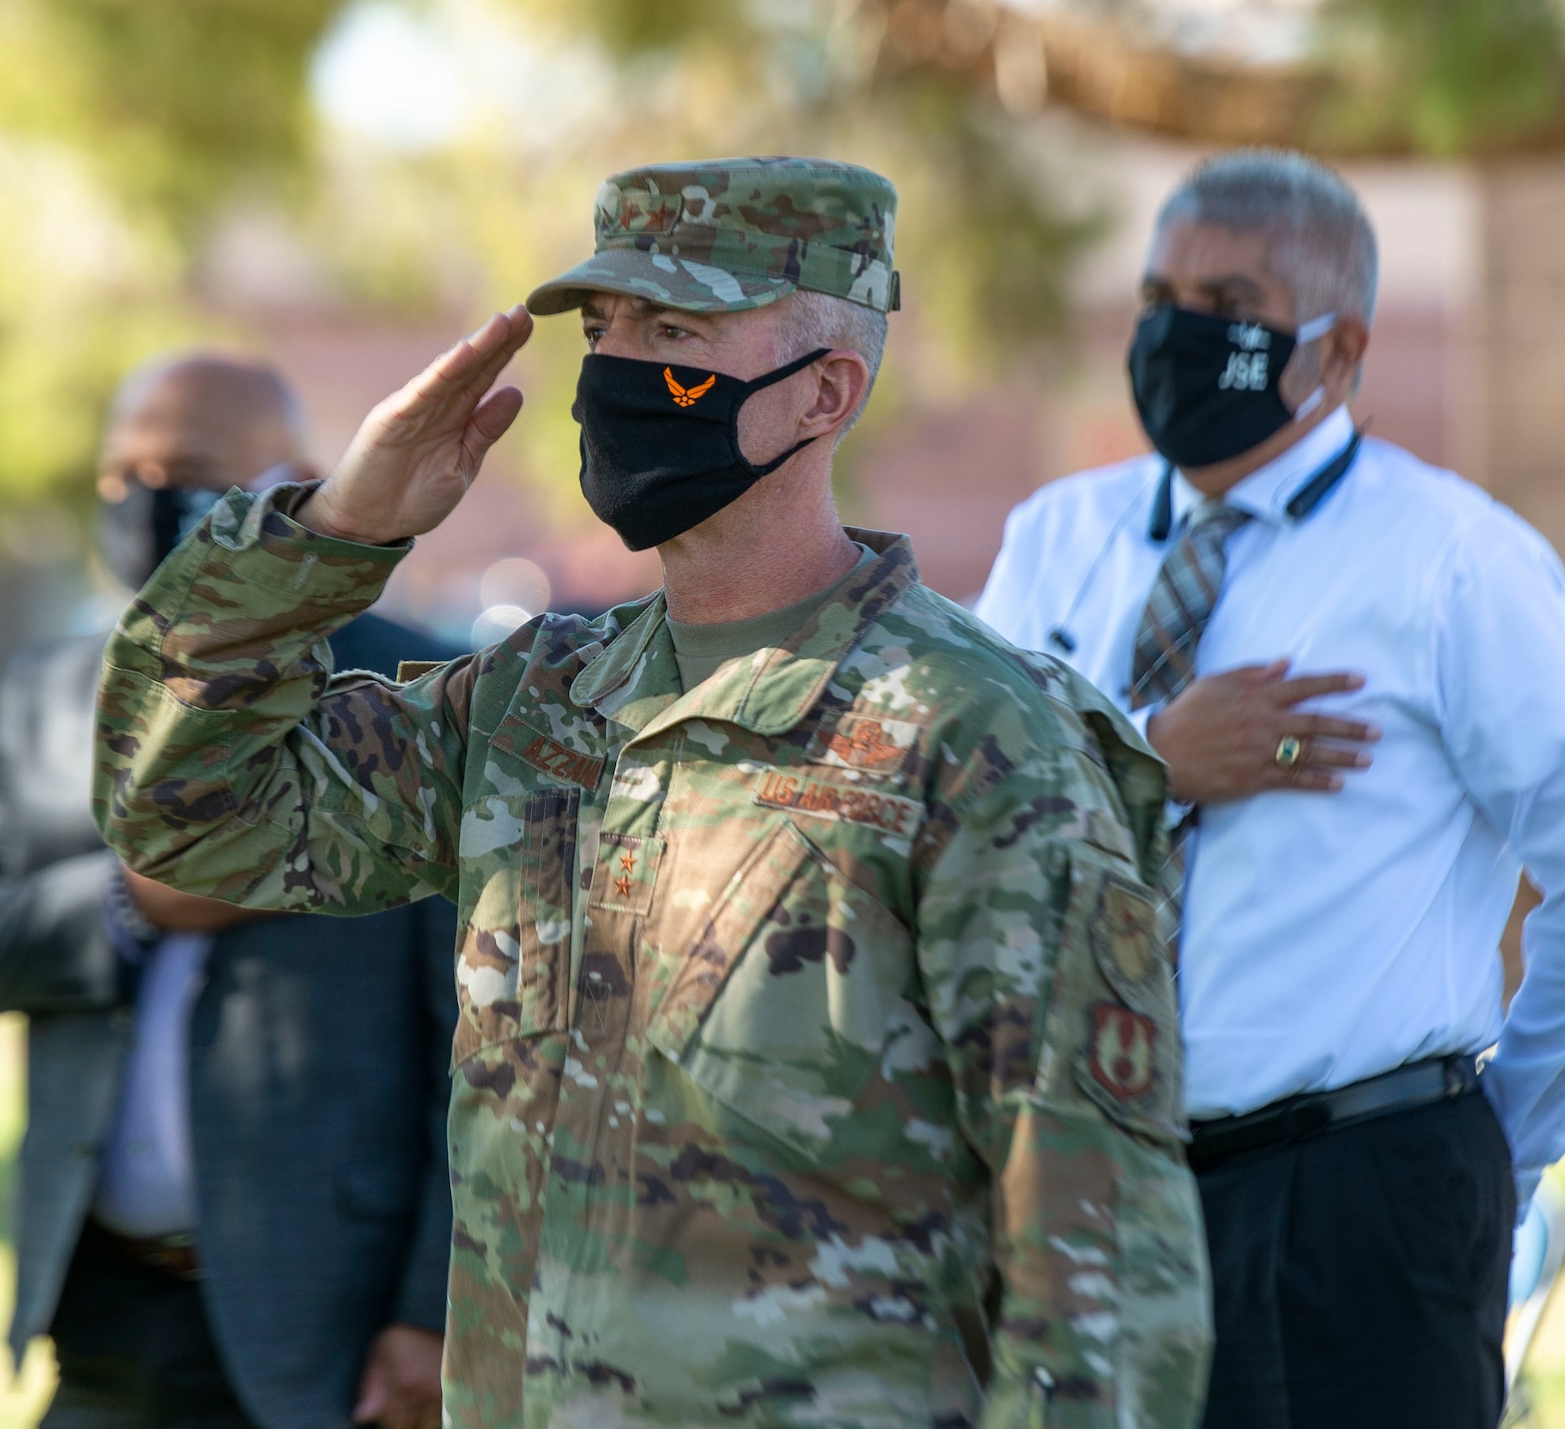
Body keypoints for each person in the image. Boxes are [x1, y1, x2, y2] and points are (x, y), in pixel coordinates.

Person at [90, 158, 1212, 1428]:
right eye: (601, 331)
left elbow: (1096, 1253)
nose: (618, 376)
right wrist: (332, 533)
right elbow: (186, 812)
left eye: (673, 335)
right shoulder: (536, 704)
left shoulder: (974, 736)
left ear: (821, 394)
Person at [973, 149, 1565, 1429]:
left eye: (1228, 307)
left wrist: (1489, 1145)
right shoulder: (1052, 541)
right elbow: (959, 818)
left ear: (1339, 349)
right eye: (1157, 295)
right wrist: (1151, 757)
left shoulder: (1450, 561)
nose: (1177, 334)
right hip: (1086, 1191)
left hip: (1350, 1196)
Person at [0, 354, 462, 1429]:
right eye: (122, 475)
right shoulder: (51, 697)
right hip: (103, 1316)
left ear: (294, 480)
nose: (147, 500)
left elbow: (472, 1045)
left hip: (331, 1346)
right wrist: (136, 902)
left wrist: (433, 1308)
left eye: (188, 470)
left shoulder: (413, 700)